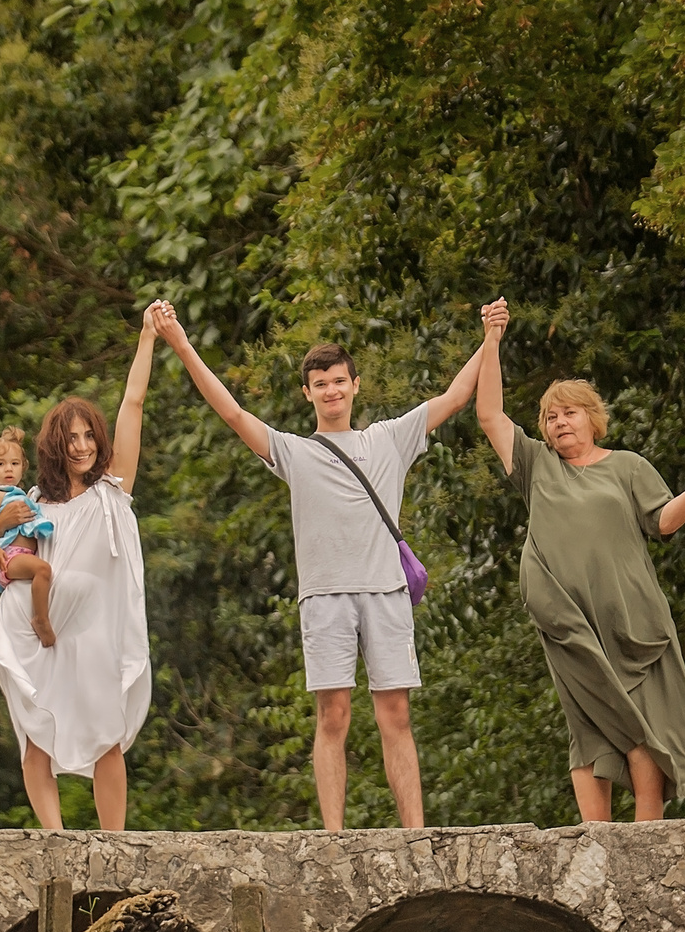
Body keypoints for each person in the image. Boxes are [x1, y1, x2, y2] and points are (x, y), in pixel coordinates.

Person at [154, 299, 483, 830]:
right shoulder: (293, 451)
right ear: (307, 393)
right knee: (333, 715)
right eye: (320, 383)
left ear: (355, 385)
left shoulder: (389, 438)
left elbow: (457, 395)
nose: (331, 390)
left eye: (339, 380)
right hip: (326, 596)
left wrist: (491, 337)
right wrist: (180, 343)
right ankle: (333, 835)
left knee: (395, 714)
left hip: (385, 592)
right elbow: (233, 413)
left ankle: (415, 835)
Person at [472, 299, 685, 821]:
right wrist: (491, 341)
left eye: (569, 413)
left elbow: (663, 520)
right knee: (588, 726)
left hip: (631, 617)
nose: (558, 424)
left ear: (593, 419)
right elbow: (489, 413)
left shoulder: (627, 467)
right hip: (568, 621)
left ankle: (646, 838)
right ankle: (594, 842)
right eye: (550, 417)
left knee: (645, 728)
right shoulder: (536, 466)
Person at [0, 311, 162, 830]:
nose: (82, 445)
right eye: (72, 438)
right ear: (55, 445)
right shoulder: (35, 500)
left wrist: (147, 337)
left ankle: (115, 844)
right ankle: (55, 838)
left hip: (91, 635)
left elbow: (133, 403)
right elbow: (5, 563)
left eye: (89, 435)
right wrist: (2, 521)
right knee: (36, 733)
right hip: (40, 632)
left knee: (108, 737)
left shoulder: (114, 489)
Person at [0, 428, 55, 646]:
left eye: (14, 463)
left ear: (23, 467)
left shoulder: (25, 495)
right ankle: (40, 619)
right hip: (9, 556)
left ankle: (1, 649)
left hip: (24, 553)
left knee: (28, 594)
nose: (8, 468)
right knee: (43, 570)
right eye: (0, 464)